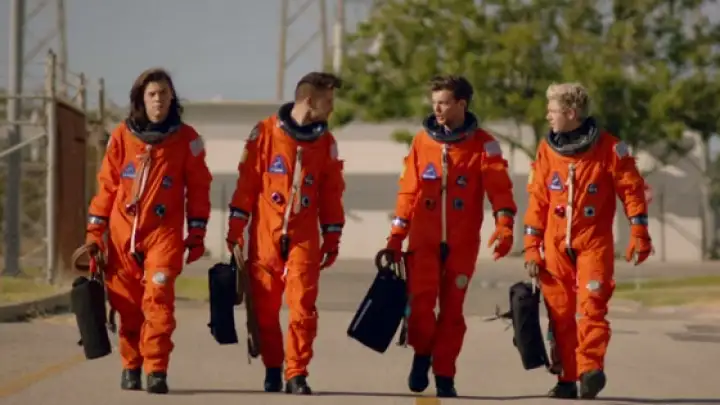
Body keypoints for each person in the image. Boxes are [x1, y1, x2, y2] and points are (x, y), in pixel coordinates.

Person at [385, 75, 517, 397]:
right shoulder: (422, 142)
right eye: (434, 103)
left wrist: (504, 224)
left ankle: (445, 374)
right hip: (423, 239)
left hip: (462, 242)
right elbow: (408, 192)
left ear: (461, 104)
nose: (437, 109)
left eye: (443, 103)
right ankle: (422, 354)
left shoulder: (484, 144)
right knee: (420, 306)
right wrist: (396, 235)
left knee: (452, 312)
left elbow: (499, 189)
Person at [84, 68, 212, 394]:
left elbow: (199, 187)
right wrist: (95, 232)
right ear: (141, 99)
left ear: (172, 98)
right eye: (152, 94)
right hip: (122, 234)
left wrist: (197, 231)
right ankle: (131, 365)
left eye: (164, 93)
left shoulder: (188, 139)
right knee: (126, 305)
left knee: (158, 299)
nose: (159, 100)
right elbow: (106, 187)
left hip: (163, 234)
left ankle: (156, 369)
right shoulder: (121, 137)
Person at [523, 82, 653, 399]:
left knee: (592, 308)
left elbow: (632, 190)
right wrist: (531, 246)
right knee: (560, 314)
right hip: (555, 245)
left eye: (553, 110)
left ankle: (590, 370)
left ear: (571, 113)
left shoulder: (610, 149)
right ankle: (567, 378)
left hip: (593, 243)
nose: (547, 116)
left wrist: (639, 230)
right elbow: (538, 200)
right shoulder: (546, 150)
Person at [226, 71, 345, 395]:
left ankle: (297, 373)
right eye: (328, 101)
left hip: (303, 237)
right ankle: (273, 367)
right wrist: (235, 230)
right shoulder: (265, 134)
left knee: (303, 307)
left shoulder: (326, 144)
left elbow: (331, 193)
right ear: (309, 99)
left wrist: (332, 236)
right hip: (266, 236)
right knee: (265, 310)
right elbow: (246, 185)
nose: (332, 108)